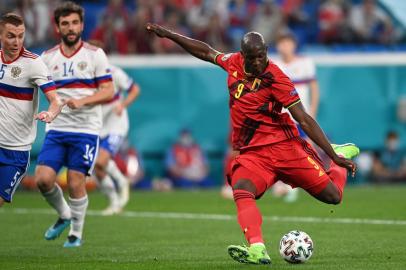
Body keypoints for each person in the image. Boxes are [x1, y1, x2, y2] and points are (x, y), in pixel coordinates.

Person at [146, 23, 359, 265]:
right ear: (243, 55)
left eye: (262, 57)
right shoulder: (233, 62)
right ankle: (257, 248)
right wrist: (170, 34)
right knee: (241, 188)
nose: (258, 62)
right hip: (254, 154)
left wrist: (332, 154)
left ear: (266, 52)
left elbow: (304, 119)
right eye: (253, 58)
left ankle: (338, 157)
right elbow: (206, 52)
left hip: (286, 147)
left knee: (333, 197)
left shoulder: (277, 78)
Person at [35, 2, 114, 248]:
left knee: (76, 180)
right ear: (57, 27)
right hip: (57, 129)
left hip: (86, 130)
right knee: (43, 179)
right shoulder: (47, 58)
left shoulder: (95, 55)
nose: (71, 28)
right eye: (65, 23)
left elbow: (109, 91)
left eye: (75, 23)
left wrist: (83, 101)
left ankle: (75, 234)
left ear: (82, 25)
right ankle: (65, 214)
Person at [0, 13, 62, 207]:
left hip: (15, 151)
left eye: (21, 36)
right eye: (11, 36)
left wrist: (50, 113)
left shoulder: (33, 63)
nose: (17, 41)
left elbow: (56, 100)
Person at [272, 33, 321, 202]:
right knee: (282, 152)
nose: (285, 46)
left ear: (294, 45)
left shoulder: (305, 63)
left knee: (305, 150)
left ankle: (309, 183)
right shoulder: (273, 65)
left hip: (301, 115)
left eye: (288, 43)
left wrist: (312, 111)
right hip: (281, 117)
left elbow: (314, 88)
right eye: (281, 43)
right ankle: (287, 185)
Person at [95, 64, 140, 215]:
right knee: (97, 167)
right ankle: (114, 201)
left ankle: (121, 183)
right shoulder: (83, 73)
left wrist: (123, 105)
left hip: (116, 124)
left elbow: (135, 89)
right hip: (96, 125)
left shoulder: (114, 72)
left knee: (101, 161)